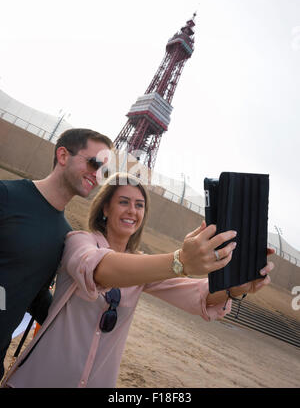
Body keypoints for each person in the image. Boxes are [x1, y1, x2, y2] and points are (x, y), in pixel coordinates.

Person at [2, 172, 274, 388]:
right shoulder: (79, 242)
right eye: (124, 202)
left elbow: (200, 296)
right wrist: (179, 261)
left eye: (139, 205)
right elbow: (98, 269)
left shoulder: (143, 268)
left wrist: (235, 287)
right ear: (105, 208)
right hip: (36, 380)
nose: (132, 210)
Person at [0, 128, 113, 380]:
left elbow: (33, 293)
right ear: (63, 155)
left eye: (104, 171)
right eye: (94, 163)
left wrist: (78, 325)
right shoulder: (6, 196)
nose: (98, 175)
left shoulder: (66, 236)